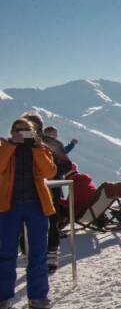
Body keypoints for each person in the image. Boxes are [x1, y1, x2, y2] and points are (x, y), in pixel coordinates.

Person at [0, 118, 58, 309]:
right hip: (8, 207)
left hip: (37, 205)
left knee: (38, 252)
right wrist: (10, 146)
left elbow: (49, 172)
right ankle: (3, 297)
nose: (23, 132)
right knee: (6, 252)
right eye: (19, 130)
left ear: (34, 132)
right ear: (12, 131)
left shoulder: (40, 148)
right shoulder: (4, 146)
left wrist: (38, 148)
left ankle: (38, 296)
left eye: (27, 130)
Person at [24, 114, 68, 274]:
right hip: (47, 191)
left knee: (46, 223)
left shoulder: (49, 144)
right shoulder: (53, 143)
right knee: (50, 223)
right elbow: (66, 166)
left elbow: (63, 166)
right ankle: (49, 257)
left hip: (40, 191)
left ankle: (44, 256)